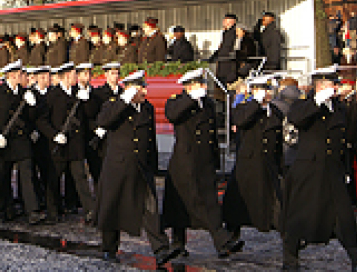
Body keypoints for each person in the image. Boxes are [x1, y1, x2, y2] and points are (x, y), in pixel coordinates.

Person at [281, 68, 357, 272]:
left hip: (332, 170)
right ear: (320, 86)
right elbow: (296, 119)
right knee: (298, 216)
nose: (336, 88)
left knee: (344, 215)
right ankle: (290, 260)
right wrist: (316, 102)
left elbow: (343, 139)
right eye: (332, 84)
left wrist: (345, 169)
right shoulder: (304, 105)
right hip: (308, 170)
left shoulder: (338, 108)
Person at [94, 70, 182, 267]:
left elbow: (150, 140)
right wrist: (123, 101)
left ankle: (161, 250)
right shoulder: (114, 105)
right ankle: (109, 248)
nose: (145, 91)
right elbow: (104, 120)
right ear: (131, 89)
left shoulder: (147, 108)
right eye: (141, 88)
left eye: (144, 87)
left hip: (141, 167)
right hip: (118, 167)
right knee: (112, 208)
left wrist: (153, 165)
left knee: (150, 210)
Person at [164, 68, 244, 258]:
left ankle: (221, 243)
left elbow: (212, 134)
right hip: (185, 161)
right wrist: (191, 99)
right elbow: (172, 115)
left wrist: (216, 159)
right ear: (190, 86)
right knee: (181, 204)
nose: (204, 87)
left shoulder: (208, 103)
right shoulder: (177, 101)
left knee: (210, 203)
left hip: (205, 161)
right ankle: (178, 242)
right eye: (200, 84)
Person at [36, 63, 96, 223]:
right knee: (54, 179)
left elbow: (89, 115)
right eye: (74, 74)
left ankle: (90, 212)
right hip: (59, 145)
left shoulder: (78, 93)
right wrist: (54, 135)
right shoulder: (52, 95)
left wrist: (87, 99)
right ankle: (52, 212)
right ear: (67, 76)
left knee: (81, 178)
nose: (77, 77)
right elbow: (41, 120)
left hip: (75, 145)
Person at [224, 76, 283, 234]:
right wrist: (255, 102)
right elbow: (240, 120)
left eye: (270, 89)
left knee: (277, 204)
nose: (269, 93)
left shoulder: (275, 112)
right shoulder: (244, 108)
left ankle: (289, 239)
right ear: (255, 91)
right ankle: (231, 234)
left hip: (268, 164)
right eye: (265, 89)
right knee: (238, 204)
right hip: (248, 164)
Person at [0, 61, 43, 225]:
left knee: (27, 175)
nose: (24, 77)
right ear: (12, 76)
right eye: (21, 74)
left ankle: (32, 211)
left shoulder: (25, 93)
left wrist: (32, 105)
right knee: (2, 176)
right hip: (4, 140)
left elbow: (31, 117)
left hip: (21, 140)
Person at [208, 14, 239, 85]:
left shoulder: (234, 32)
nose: (223, 23)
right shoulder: (225, 33)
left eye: (225, 21)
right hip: (222, 60)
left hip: (229, 62)